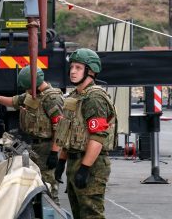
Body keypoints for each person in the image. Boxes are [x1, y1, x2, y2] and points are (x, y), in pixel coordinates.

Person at [54, 48, 117, 219]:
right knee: (78, 214)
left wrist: (85, 168)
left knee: (91, 214)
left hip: (92, 165)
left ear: (91, 71)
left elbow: (98, 136)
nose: (72, 71)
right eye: (72, 67)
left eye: (78, 68)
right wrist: (61, 162)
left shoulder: (94, 98)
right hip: (74, 161)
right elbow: (69, 133)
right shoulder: (76, 96)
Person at [0, 66, 64, 201]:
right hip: (36, 146)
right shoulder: (33, 94)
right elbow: (14, 101)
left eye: (28, 88)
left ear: (35, 85)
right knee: (36, 182)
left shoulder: (52, 99)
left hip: (47, 147)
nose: (27, 91)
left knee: (48, 185)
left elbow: (59, 128)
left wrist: (54, 153)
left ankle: (53, 206)